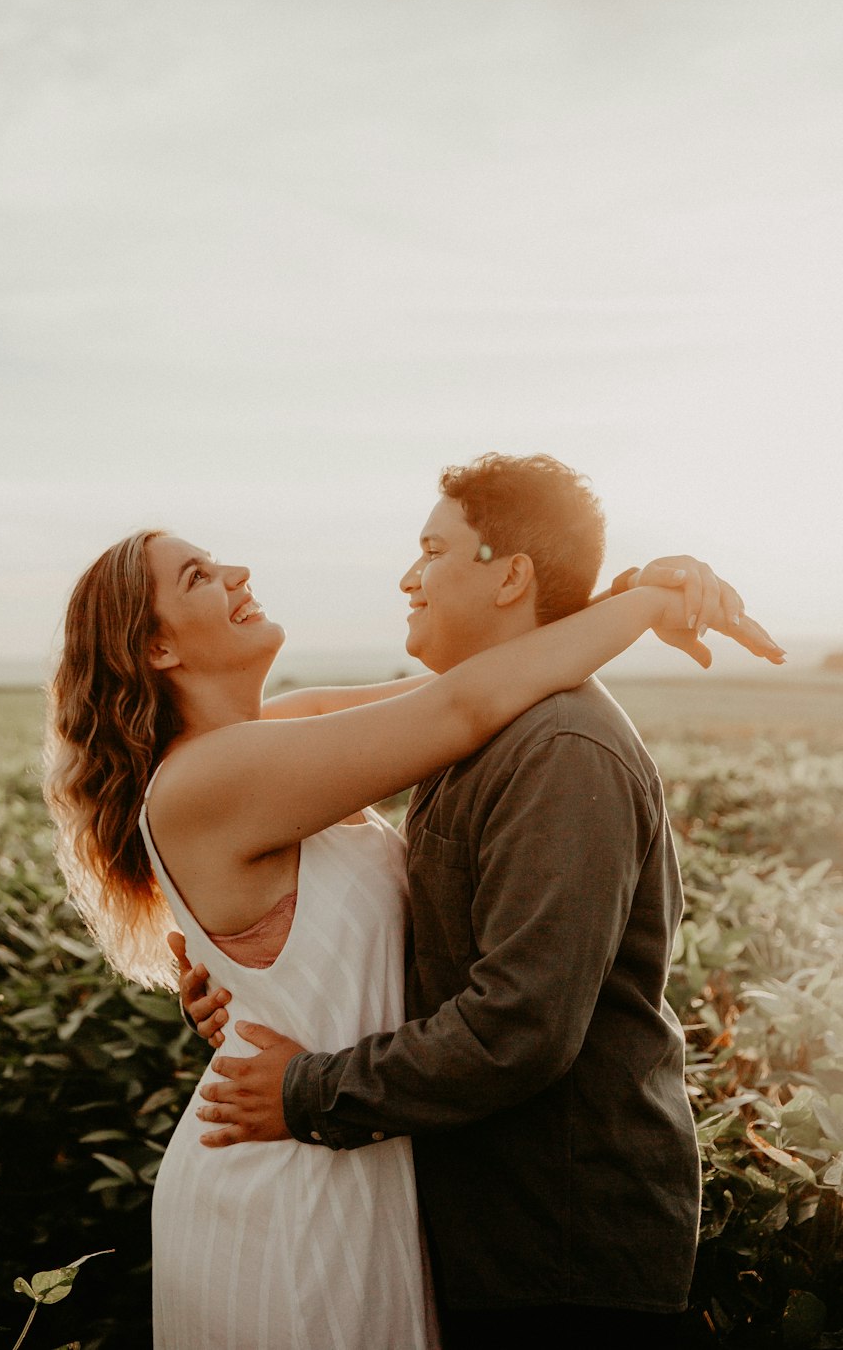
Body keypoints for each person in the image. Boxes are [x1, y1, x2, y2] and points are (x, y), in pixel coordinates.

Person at [177, 454, 785, 1348]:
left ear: (511, 576)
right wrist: (254, 973)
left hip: (563, 1255)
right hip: (479, 1238)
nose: (407, 577)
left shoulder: (561, 748)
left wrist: (308, 1090)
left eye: (433, 550)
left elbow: (519, 1027)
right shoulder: (472, 725)